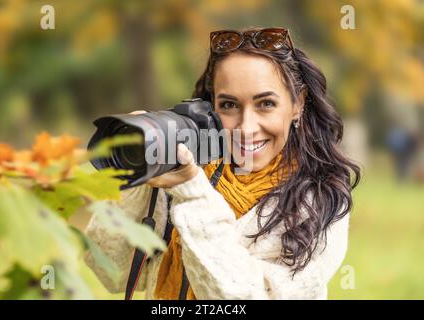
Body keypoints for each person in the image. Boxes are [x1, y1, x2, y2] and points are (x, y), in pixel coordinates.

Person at [84, 27, 361, 299]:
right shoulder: (186, 169)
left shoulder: (320, 199)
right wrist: (142, 171)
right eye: (229, 105)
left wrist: (192, 192)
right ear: (211, 105)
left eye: (265, 104)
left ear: (297, 103)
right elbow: (111, 274)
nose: (246, 127)